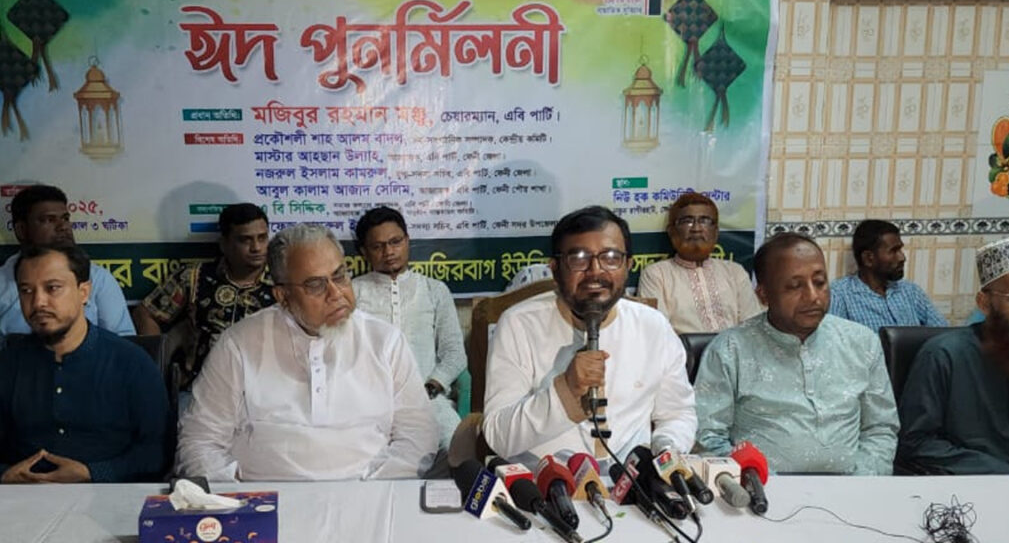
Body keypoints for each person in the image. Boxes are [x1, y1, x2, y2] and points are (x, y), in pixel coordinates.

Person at [176, 224, 437, 481]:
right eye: (315, 285)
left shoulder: (385, 342)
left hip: (368, 493)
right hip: (266, 499)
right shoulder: (238, 344)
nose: (336, 293)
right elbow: (199, 440)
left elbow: (418, 436)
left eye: (339, 276)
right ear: (283, 296)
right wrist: (240, 496)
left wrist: (371, 489)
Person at [482, 206, 697, 467]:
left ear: (628, 265)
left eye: (611, 258)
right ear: (555, 269)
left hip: (630, 481)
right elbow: (498, 436)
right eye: (579, 259)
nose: (595, 271)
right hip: (543, 480)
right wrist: (566, 389)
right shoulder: (519, 325)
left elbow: (677, 414)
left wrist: (665, 449)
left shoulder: (653, 326)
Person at [696, 232, 899, 475]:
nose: (813, 296)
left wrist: (859, 482)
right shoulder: (730, 350)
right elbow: (706, 437)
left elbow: (880, 429)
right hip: (762, 490)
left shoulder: (862, 342)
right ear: (763, 295)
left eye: (820, 282)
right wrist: (756, 482)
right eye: (795, 286)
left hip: (853, 487)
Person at [0, 244, 169, 483]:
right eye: (26, 290)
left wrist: (92, 473)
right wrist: (5, 475)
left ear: (84, 292)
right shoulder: (8, 364)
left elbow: (157, 452)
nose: (38, 302)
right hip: (21, 497)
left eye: (53, 288)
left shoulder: (131, 363)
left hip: (110, 497)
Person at [898, 235, 1009, 474]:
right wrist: (1003, 475)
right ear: (984, 303)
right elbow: (915, 443)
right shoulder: (944, 355)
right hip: (973, 488)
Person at [352, 207, 466, 449]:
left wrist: (430, 388)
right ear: (364, 251)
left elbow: (454, 353)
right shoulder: (351, 293)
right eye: (378, 246)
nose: (389, 252)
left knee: (457, 449)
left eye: (395, 242)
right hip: (368, 406)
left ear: (407, 241)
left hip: (428, 402)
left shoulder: (435, 290)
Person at [133, 203, 275, 387]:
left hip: (266, 387)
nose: (256, 248)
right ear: (224, 244)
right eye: (245, 240)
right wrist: (156, 369)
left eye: (262, 238)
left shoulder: (283, 280)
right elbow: (146, 313)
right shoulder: (193, 277)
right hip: (202, 386)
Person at [0, 185, 134, 336]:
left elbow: (124, 340)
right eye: (49, 220)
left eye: (65, 218)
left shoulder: (98, 278)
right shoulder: (2, 283)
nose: (63, 227)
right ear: (22, 230)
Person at [638, 192, 760, 333]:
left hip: (734, 347)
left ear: (716, 232)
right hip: (681, 347)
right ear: (671, 231)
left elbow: (753, 328)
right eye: (687, 221)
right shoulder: (656, 275)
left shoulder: (735, 272)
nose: (696, 229)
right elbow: (658, 332)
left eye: (704, 221)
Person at [830, 219, 947, 333]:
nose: (902, 258)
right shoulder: (840, 295)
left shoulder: (910, 291)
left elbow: (944, 333)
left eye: (900, 250)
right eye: (893, 251)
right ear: (868, 258)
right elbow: (832, 341)